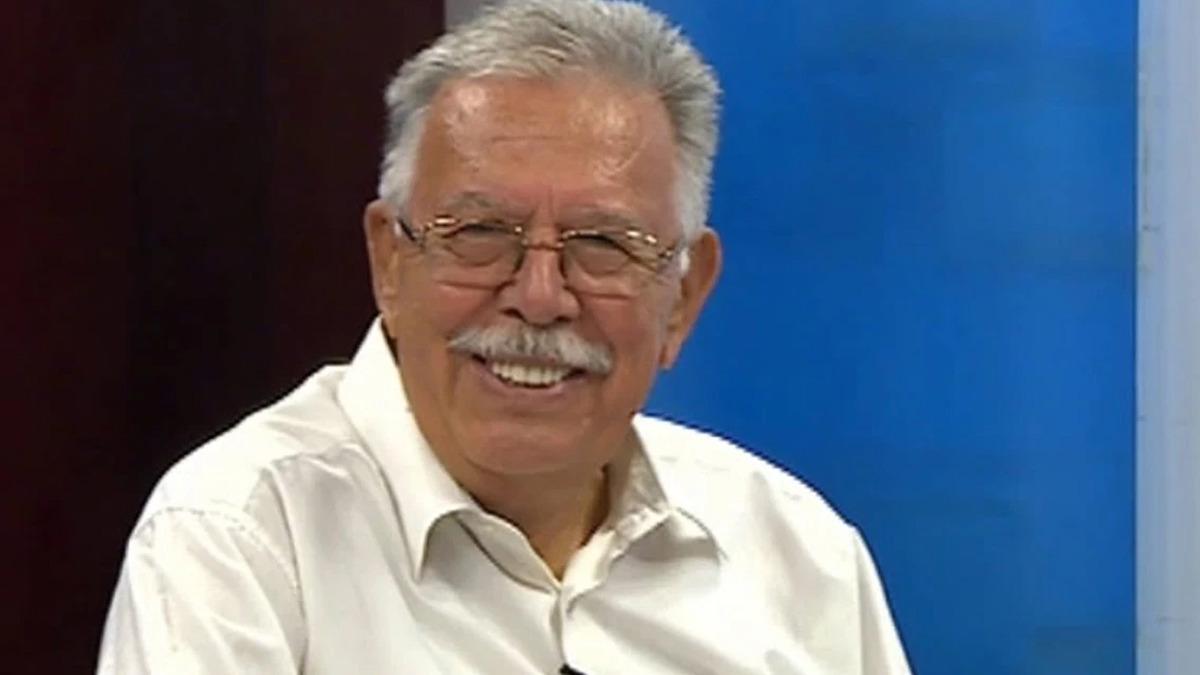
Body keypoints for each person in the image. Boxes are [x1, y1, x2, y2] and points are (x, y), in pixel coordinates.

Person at [98, 1, 911, 673]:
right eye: (480, 233)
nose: (539, 297)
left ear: (683, 297)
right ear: (389, 262)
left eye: (603, 245)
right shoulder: (238, 541)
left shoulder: (800, 556)